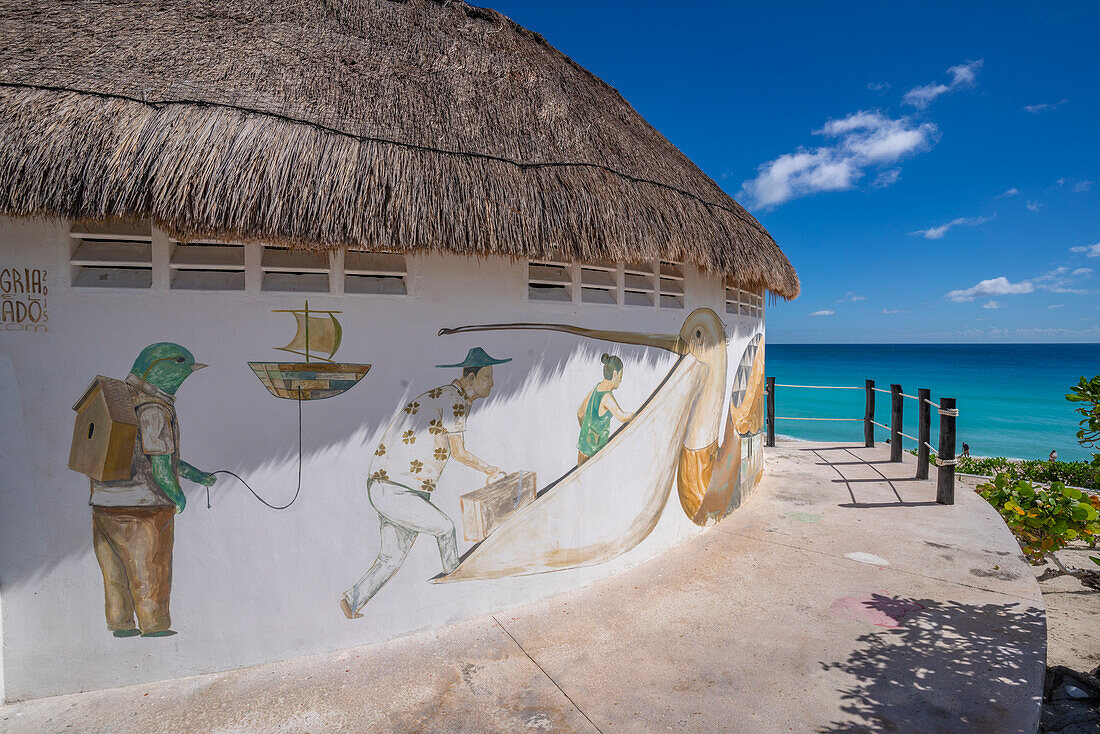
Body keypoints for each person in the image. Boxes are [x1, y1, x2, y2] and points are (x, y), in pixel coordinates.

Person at [341, 347, 510, 618]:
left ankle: (352, 600)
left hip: (388, 486)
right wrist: (490, 469)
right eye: (487, 376)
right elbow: (459, 453)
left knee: (391, 558)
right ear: (469, 379)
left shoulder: (448, 395)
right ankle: (456, 579)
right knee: (445, 528)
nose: (492, 382)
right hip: (398, 489)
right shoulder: (454, 399)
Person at [88, 343, 216, 637]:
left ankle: (121, 625)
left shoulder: (118, 400)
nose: (189, 371)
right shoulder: (154, 408)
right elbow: (160, 466)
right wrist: (178, 496)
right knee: (150, 570)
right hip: (144, 508)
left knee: (115, 573)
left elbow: (152, 458)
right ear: (161, 369)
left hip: (103, 503)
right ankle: (154, 626)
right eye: (185, 365)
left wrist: (196, 475)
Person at [576, 354, 635, 466]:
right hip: (593, 455)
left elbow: (580, 414)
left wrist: (587, 432)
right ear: (614, 374)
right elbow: (622, 417)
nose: (621, 380)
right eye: (621, 376)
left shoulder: (596, 388)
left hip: (583, 451)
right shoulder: (607, 396)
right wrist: (641, 414)